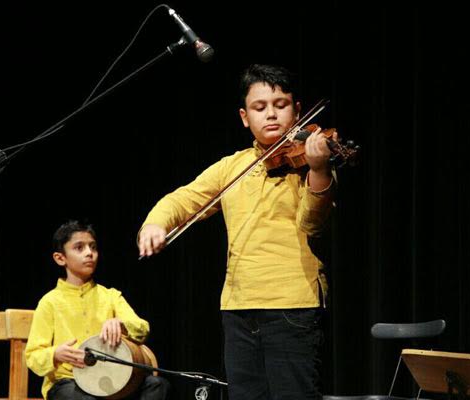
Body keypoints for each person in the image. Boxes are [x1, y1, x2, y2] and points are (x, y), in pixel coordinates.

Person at [138, 64, 336, 399]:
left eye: (280, 105)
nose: (270, 114)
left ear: (298, 110)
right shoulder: (233, 166)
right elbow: (183, 199)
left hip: (293, 304)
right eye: (260, 107)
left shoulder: (311, 161)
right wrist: (155, 224)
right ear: (245, 117)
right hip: (237, 307)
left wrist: (319, 169)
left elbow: (312, 223)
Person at [26, 220, 170, 400]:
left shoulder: (111, 296)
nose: (89, 253)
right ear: (60, 258)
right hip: (69, 381)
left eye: (93, 247)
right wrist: (55, 354)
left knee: (157, 385)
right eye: (79, 248)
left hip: (112, 381)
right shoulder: (50, 302)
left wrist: (121, 324)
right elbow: (33, 356)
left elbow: (142, 328)